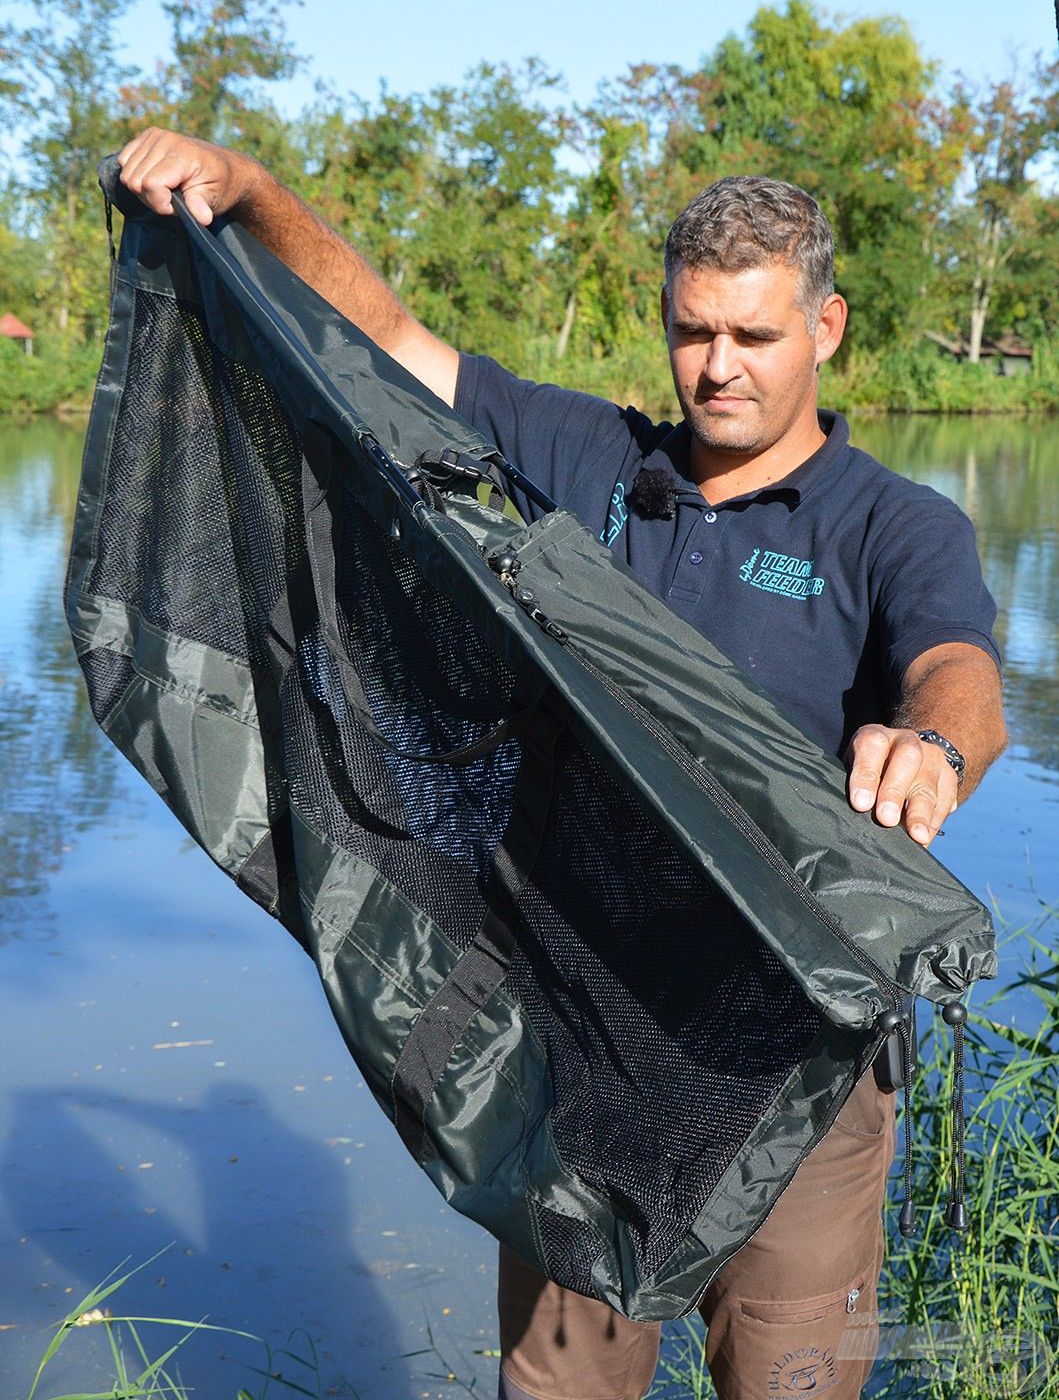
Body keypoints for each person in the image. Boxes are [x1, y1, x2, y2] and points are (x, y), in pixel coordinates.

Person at [118, 129, 1007, 1400]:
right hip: (582, 1041)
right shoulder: (588, 457)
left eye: (755, 337)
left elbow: (961, 671)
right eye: (695, 332)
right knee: (558, 1389)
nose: (719, 368)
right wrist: (252, 194)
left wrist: (929, 744)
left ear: (829, 327)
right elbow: (389, 343)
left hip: (798, 1060)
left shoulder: (894, 524)